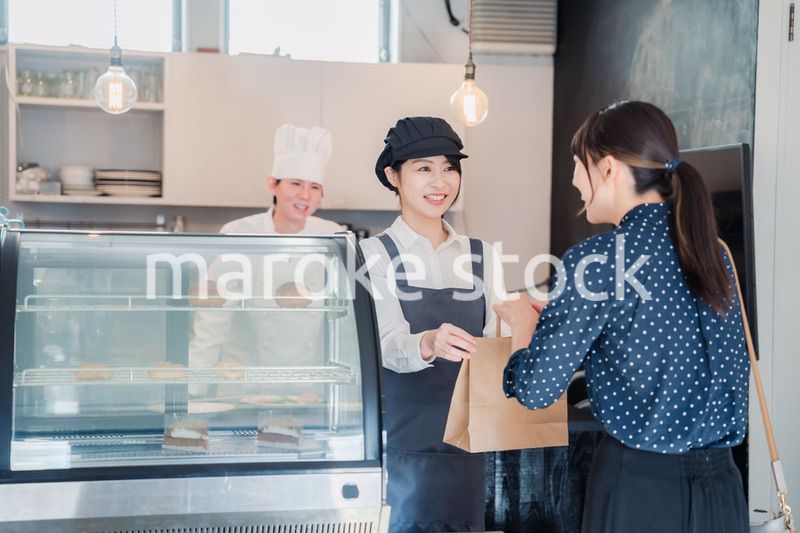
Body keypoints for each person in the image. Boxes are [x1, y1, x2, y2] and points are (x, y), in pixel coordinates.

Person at [494, 101, 750, 533]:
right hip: (723, 493)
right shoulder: (714, 254)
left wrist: (523, 324)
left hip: (640, 493)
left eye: (578, 164)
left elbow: (536, 391)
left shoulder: (598, 261)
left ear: (608, 168)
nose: (575, 179)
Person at [359, 116, 510, 532]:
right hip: (403, 448)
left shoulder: (483, 255)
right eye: (423, 168)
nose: (439, 181)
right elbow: (385, 344)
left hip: (469, 446)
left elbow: (500, 346)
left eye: (449, 167)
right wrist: (428, 341)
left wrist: (524, 323)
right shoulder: (373, 254)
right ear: (394, 177)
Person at [189, 124, 344, 393]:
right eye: (295, 184)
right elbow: (214, 317)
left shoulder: (333, 236)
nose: (305, 196)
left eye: (314, 187)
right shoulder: (239, 234)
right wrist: (193, 389)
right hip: (246, 383)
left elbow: (346, 317)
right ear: (272, 184)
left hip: (310, 385)